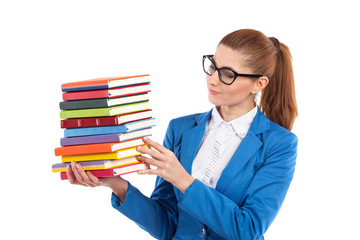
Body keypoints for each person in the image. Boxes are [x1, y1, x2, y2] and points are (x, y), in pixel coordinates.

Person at [66, 28, 298, 240]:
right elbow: (167, 225)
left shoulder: (280, 144)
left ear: (259, 84)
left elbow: (248, 230)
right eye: (213, 66)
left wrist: (182, 179)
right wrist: (118, 186)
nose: (212, 79)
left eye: (227, 74)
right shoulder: (181, 129)